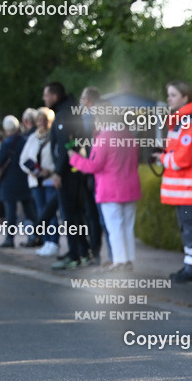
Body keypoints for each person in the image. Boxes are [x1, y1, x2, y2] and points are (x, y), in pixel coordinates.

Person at [152, 81, 192, 283]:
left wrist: (161, 158)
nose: (169, 99)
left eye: (173, 95)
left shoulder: (187, 124)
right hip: (184, 189)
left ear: (185, 98)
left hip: (188, 189)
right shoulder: (181, 122)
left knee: (191, 227)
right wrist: (165, 153)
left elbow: (181, 160)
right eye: (168, 95)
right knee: (188, 227)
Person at [69, 110, 141, 272]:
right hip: (130, 188)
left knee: (114, 226)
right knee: (128, 226)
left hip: (110, 189)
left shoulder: (103, 138)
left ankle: (119, 261)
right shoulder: (130, 137)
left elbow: (94, 166)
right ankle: (128, 259)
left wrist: (74, 158)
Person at [45, 81, 94, 270]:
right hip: (72, 171)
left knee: (69, 215)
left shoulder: (65, 114)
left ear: (55, 96)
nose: (44, 98)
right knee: (73, 214)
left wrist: (58, 172)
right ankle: (82, 250)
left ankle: (75, 254)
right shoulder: (66, 110)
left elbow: (67, 145)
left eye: (46, 95)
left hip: (69, 174)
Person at [0, 115, 40, 248]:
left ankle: (10, 239)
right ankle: (39, 234)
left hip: (9, 182)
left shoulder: (6, 143)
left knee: (11, 213)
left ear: (6, 129)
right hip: (24, 179)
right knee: (30, 211)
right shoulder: (25, 140)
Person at [19, 107, 60, 257]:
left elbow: (59, 157)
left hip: (49, 179)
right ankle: (46, 241)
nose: (42, 123)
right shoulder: (32, 138)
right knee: (41, 211)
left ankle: (54, 242)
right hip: (36, 181)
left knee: (51, 212)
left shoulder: (55, 137)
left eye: (45, 120)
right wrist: (31, 170)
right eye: (39, 120)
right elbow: (23, 160)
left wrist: (50, 170)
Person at [79, 86, 106, 264]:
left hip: (91, 170)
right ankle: (109, 256)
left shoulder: (87, 118)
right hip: (103, 171)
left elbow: (81, 143)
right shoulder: (106, 118)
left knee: (94, 214)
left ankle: (95, 253)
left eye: (82, 99)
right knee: (103, 215)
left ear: (88, 100)